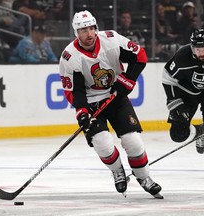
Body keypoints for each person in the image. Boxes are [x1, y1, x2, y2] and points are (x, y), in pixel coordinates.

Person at [59, 10, 163, 198]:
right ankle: (117, 171)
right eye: (83, 30)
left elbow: (140, 57)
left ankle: (144, 177)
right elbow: (74, 90)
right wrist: (82, 112)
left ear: (96, 28)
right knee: (102, 143)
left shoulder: (112, 40)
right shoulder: (69, 57)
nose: (89, 34)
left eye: (91, 28)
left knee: (133, 141)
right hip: (90, 102)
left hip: (116, 97)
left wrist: (127, 80)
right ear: (76, 33)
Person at [162, 28, 204, 174]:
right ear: (192, 47)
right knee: (178, 135)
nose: (201, 53)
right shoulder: (182, 56)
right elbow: (167, 77)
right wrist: (175, 104)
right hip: (187, 93)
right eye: (197, 49)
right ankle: (199, 131)